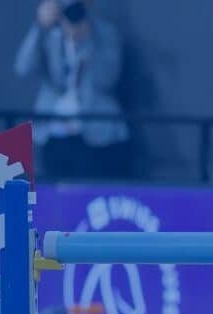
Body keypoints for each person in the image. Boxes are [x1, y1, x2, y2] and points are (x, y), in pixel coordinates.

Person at [14, 0, 129, 180]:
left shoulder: (103, 33)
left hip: (95, 133)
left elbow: (107, 79)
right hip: (52, 132)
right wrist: (38, 26)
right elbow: (22, 67)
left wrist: (87, 42)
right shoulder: (48, 34)